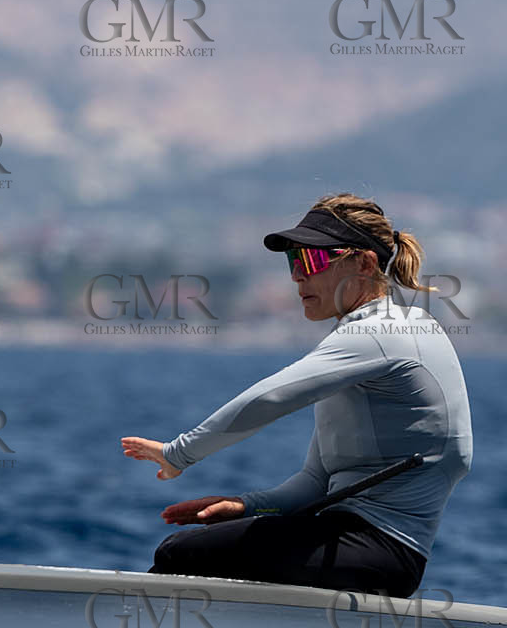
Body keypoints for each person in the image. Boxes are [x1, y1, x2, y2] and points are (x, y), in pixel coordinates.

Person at [121, 193, 471, 597]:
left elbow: (270, 399)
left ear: (364, 263)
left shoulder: (382, 332)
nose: (296, 276)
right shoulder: (372, 338)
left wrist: (177, 454)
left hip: (381, 548)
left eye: (312, 261)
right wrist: (245, 506)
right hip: (368, 546)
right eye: (293, 261)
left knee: (181, 553)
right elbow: (315, 482)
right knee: (190, 551)